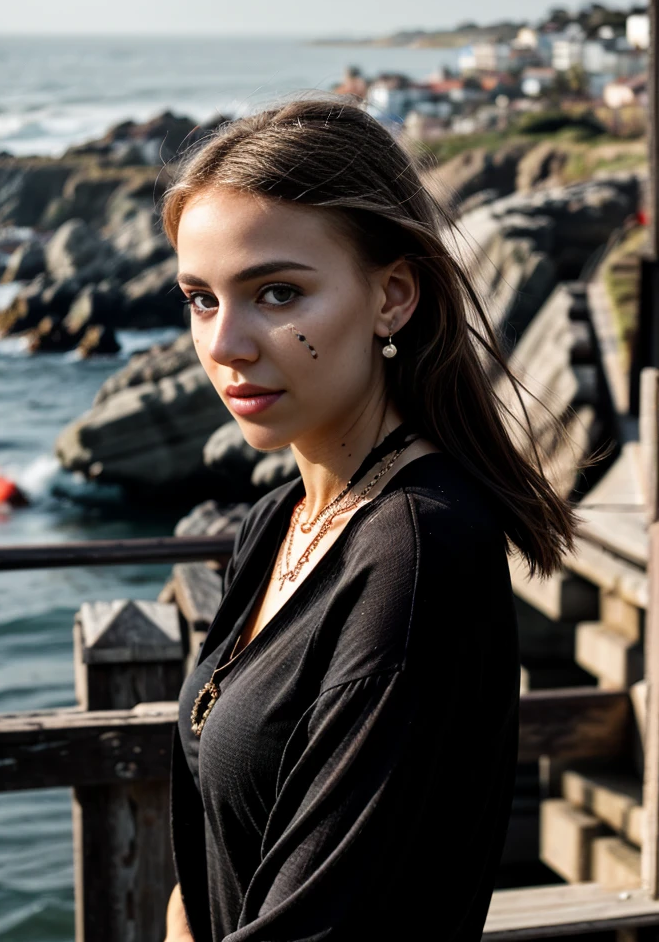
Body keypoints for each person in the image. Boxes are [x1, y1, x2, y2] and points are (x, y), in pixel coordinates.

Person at [160, 97, 577, 942]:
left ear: (392, 297)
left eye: (276, 293)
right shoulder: (279, 520)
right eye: (201, 299)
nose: (226, 343)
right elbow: (204, 858)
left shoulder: (416, 551)